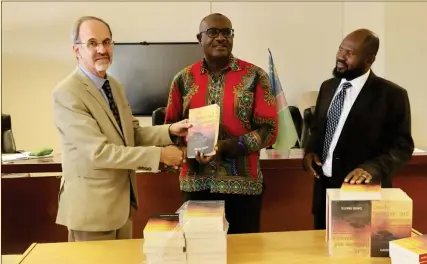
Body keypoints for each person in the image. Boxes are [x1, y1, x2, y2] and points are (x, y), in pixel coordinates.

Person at [52, 16, 190, 242]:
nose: (102, 49)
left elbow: (131, 134)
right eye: (92, 43)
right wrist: (161, 155)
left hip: (122, 207)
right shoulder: (67, 93)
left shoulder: (114, 86)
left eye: (106, 42)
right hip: (91, 213)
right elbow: (100, 152)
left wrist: (170, 130)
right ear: (77, 50)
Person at [164, 13, 278, 234]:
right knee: (199, 251)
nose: (220, 38)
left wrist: (229, 146)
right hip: (196, 185)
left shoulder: (255, 76)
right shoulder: (183, 79)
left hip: (243, 187)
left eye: (226, 32)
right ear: (199, 39)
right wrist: (187, 147)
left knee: (245, 253)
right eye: (213, 32)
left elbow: (269, 130)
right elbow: (170, 127)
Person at [303, 29, 414, 230]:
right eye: (340, 49)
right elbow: (319, 129)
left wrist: (372, 169)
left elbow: (402, 147)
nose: (340, 56)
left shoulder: (391, 95)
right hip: (323, 195)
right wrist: (310, 151)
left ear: (369, 60)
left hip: (363, 197)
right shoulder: (328, 87)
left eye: (350, 53)